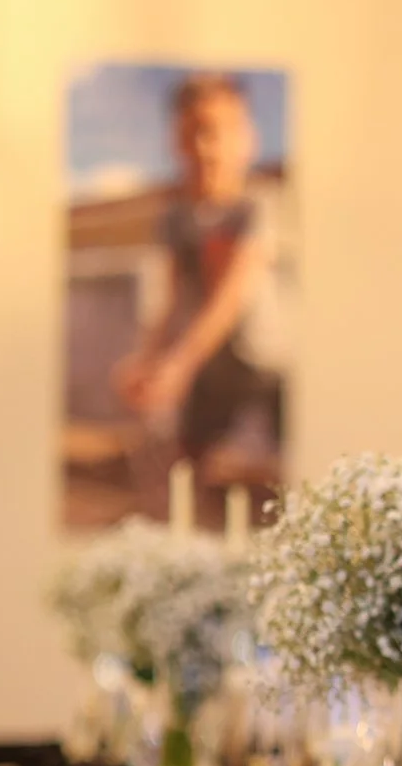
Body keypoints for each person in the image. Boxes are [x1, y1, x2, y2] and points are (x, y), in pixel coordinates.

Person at [111, 73, 283, 514]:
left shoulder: (260, 206)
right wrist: (147, 359)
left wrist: (178, 365)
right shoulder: (176, 219)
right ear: (177, 142)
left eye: (219, 130)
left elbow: (231, 298)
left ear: (247, 138)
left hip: (274, 361)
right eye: (193, 133)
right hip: (214, 363)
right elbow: (168, 300)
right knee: (183, 468)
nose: (207, 147)